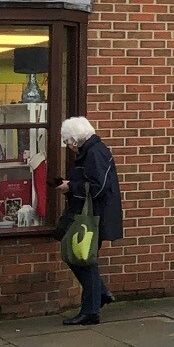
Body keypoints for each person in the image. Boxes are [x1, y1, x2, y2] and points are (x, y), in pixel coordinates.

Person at [57, 116, 124, 326]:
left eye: (68, 142)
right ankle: (98, 296)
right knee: (81, 256)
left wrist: (71, 187)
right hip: (91, 214)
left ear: (75, 140)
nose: (68, 146)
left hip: (94, 215)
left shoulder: (95, 152)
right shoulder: (93, 151)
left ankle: (92, 309)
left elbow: (98, 186)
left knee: (83, 258)